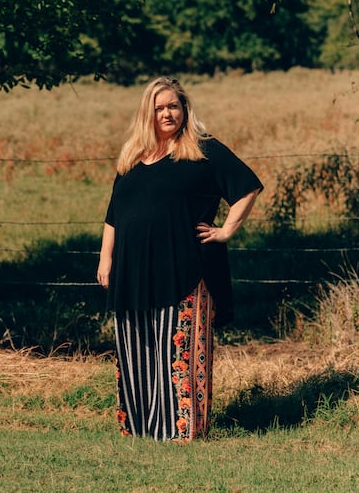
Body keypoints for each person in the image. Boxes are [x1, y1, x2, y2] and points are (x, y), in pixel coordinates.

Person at [97, 76, 263, 442]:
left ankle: (181, 430)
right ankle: (141, 429)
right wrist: (106, 258)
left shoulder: (203, 150)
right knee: (137, 350)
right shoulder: (132, 156)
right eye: (159, 108)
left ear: (185, 109)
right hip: (133, 271)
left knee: (178, 350)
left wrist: (226, 230)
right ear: (148, 113)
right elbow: (114, 213)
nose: (167, 113)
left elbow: (247, 185)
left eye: (173, 105)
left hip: (185, 268)